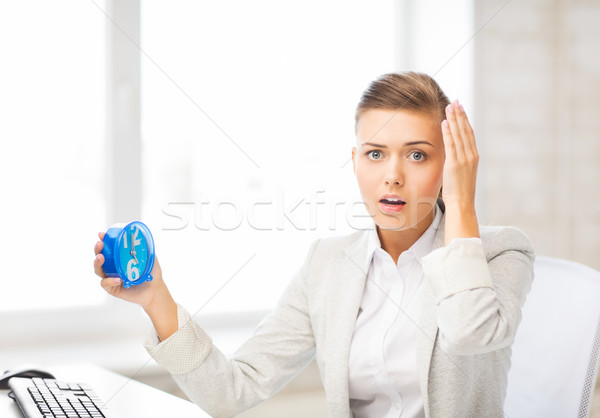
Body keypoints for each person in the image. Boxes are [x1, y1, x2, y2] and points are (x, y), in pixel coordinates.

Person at [93, 71, 535, 418]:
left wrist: (460, 202)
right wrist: (156, 299)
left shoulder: (500, 253)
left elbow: (469, 334)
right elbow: (232, 391)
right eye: (375, 153)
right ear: (356, 160)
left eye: (418, 154)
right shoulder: (328, 265)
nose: (393, 175)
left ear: (451, 163)